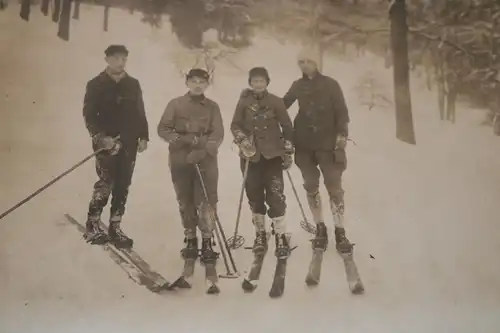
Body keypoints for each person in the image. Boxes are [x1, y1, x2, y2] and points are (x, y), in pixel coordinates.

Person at [282, 48, 352, 254]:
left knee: (334, 188)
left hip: (328, 144)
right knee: (311, 186)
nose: (305, 65)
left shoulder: (330, 84)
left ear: (317, 63)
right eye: (301, 62)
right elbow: (281, 105)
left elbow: (342, 112)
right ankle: (320, 227)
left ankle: (340, 230)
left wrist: (341, 139)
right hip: (303, 144)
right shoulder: (298, 85)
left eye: (308, 61)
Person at [82, 45, 149, 249]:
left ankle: (115, 226)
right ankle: (93, 223)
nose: (120, 62)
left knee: (123, 184)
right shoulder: (96, 84)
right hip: (106, 142)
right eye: (116, 58)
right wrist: (101, 137)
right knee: (106, 182)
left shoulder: (132, 84)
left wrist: (143, 136)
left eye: (124, 59)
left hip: (129, 141)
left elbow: (140, 111)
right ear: (107, 59)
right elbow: (89, 115)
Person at [157, 68, 224, 264]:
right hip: (180, 159)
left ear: (207, 85)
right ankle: (190, 238)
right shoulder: (175, 104)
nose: (197, 85)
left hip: (206, 160)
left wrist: (203, 151)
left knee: (207, 199)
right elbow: (163, 129)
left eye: (201, 82)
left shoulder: (213, 107)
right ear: (187, 83)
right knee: (185, 199)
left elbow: (217, 134)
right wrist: (184, 141)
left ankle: (207, 240)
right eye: (193, 81)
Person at [230, 67, 294, 258]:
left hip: (273, 155)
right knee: (254, 194)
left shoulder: (275, 101)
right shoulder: (244, 101)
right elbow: (235, 125)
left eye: (261, 81)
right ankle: (260, 233)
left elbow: (287, 125)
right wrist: (242, 141)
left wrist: (288, 149)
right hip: (251, 156)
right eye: (255, 81)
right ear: (250, 83)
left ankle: (280, 234)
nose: (258, 84)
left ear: (267, 82)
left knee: (275, 194)